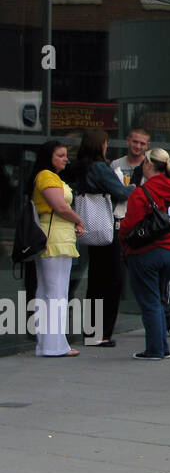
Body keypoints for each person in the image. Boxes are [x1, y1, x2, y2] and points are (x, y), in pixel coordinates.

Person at [112, 128, 170, 338]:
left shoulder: (142, 191)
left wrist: (124, 241)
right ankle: (162, 346)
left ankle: (156, 348)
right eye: (134, 142)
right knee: (159, 298)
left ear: (149, 165)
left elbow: (129, 223)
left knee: (150, 302)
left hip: (146, 250)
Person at [64, 129, 131, 347]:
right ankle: (102, 334)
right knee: (112, 281)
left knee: (95, 281)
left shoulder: (77, 167)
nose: (107, 146)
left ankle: (91, 331)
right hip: (105, 229)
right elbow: (121, 193)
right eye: (105, 142)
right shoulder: (100, 168)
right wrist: (132, 187)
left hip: (87, 227)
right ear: (100, 145)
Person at [28, 140, 84, 357]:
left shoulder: (50, 177)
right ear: (49, 157)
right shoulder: (47, 176)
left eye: (65, 155)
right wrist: (79, 220)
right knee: (56, 292)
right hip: (55, 237)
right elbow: (60, 206)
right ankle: (54, 345)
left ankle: (48, 344)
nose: (65, 159)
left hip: (55, 236)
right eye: (60, 155)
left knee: (48, 291)